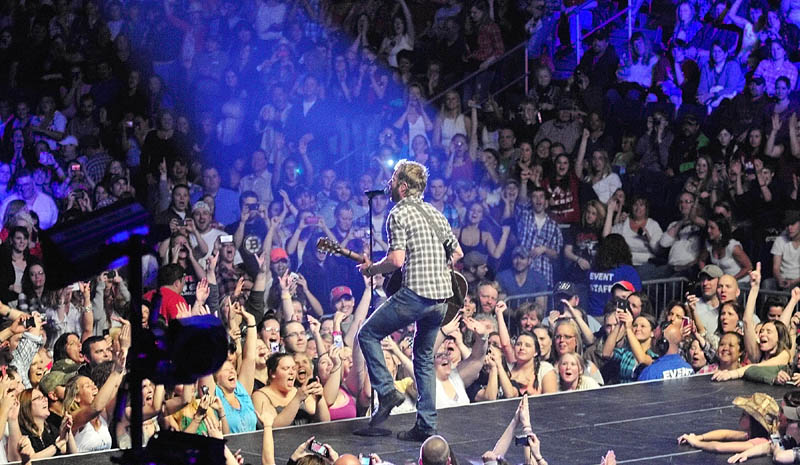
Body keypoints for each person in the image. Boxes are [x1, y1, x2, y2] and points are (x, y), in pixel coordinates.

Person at [356, 159, 463, 441]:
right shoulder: (436, 214)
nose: (388, 185)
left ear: (402, 187)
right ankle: (426, 425)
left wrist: (372, 269)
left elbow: (396, 260)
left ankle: (387, 391)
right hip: (441, 298)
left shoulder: (398, 214)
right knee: (424, 358)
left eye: (392, 180)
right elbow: (458, 254)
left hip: (416, 294)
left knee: (367, 333)